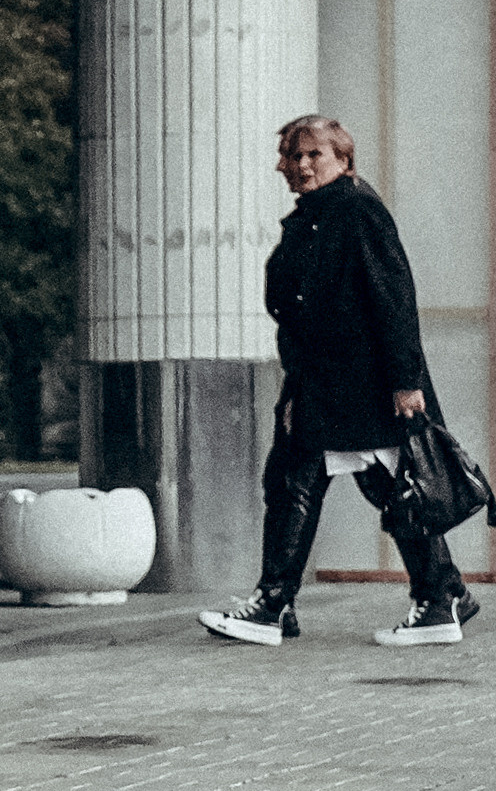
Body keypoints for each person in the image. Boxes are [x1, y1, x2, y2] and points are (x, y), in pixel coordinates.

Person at [199, 116, 480, 649]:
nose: (300, 165)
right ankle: (438, 595)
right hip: (329, 383)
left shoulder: (355, 209)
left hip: (364, 385)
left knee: (353, 485)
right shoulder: (318, 215)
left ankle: (282, 604)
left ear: (343, 161)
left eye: (314, 156)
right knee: (314, 482)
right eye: (291, 155)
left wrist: (405, 381)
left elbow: (393, 295)